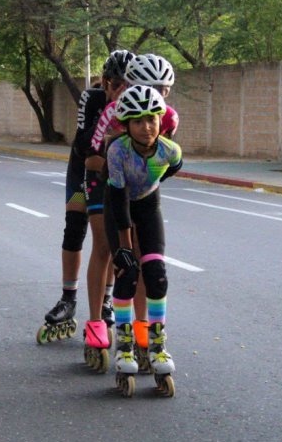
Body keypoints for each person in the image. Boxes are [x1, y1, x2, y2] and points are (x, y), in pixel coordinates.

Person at [36, 50, 130, 350]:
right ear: (105, 82)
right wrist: (111, 112)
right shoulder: (92, 99)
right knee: (75, 227)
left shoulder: (141, 105)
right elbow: (83, 144)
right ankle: (68, 298)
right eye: (117, 84)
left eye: (130, 84)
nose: (123, 90)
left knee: (111, 239)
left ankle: (104, 301)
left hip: (114, 174)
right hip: (84, 169)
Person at [105, 85, 182, 397]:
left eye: (151, 119)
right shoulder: (117, 151)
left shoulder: (170, 151)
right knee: (126, 273)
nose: (146, 127)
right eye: (138, 121)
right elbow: (120, 200)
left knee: (157, 276)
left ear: (160, 120)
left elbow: (169, 170)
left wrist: (150, 184)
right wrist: (124, 247)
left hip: (149, 204)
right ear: (127, 125)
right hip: (118, 205)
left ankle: (157, 345)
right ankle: (124, 346)